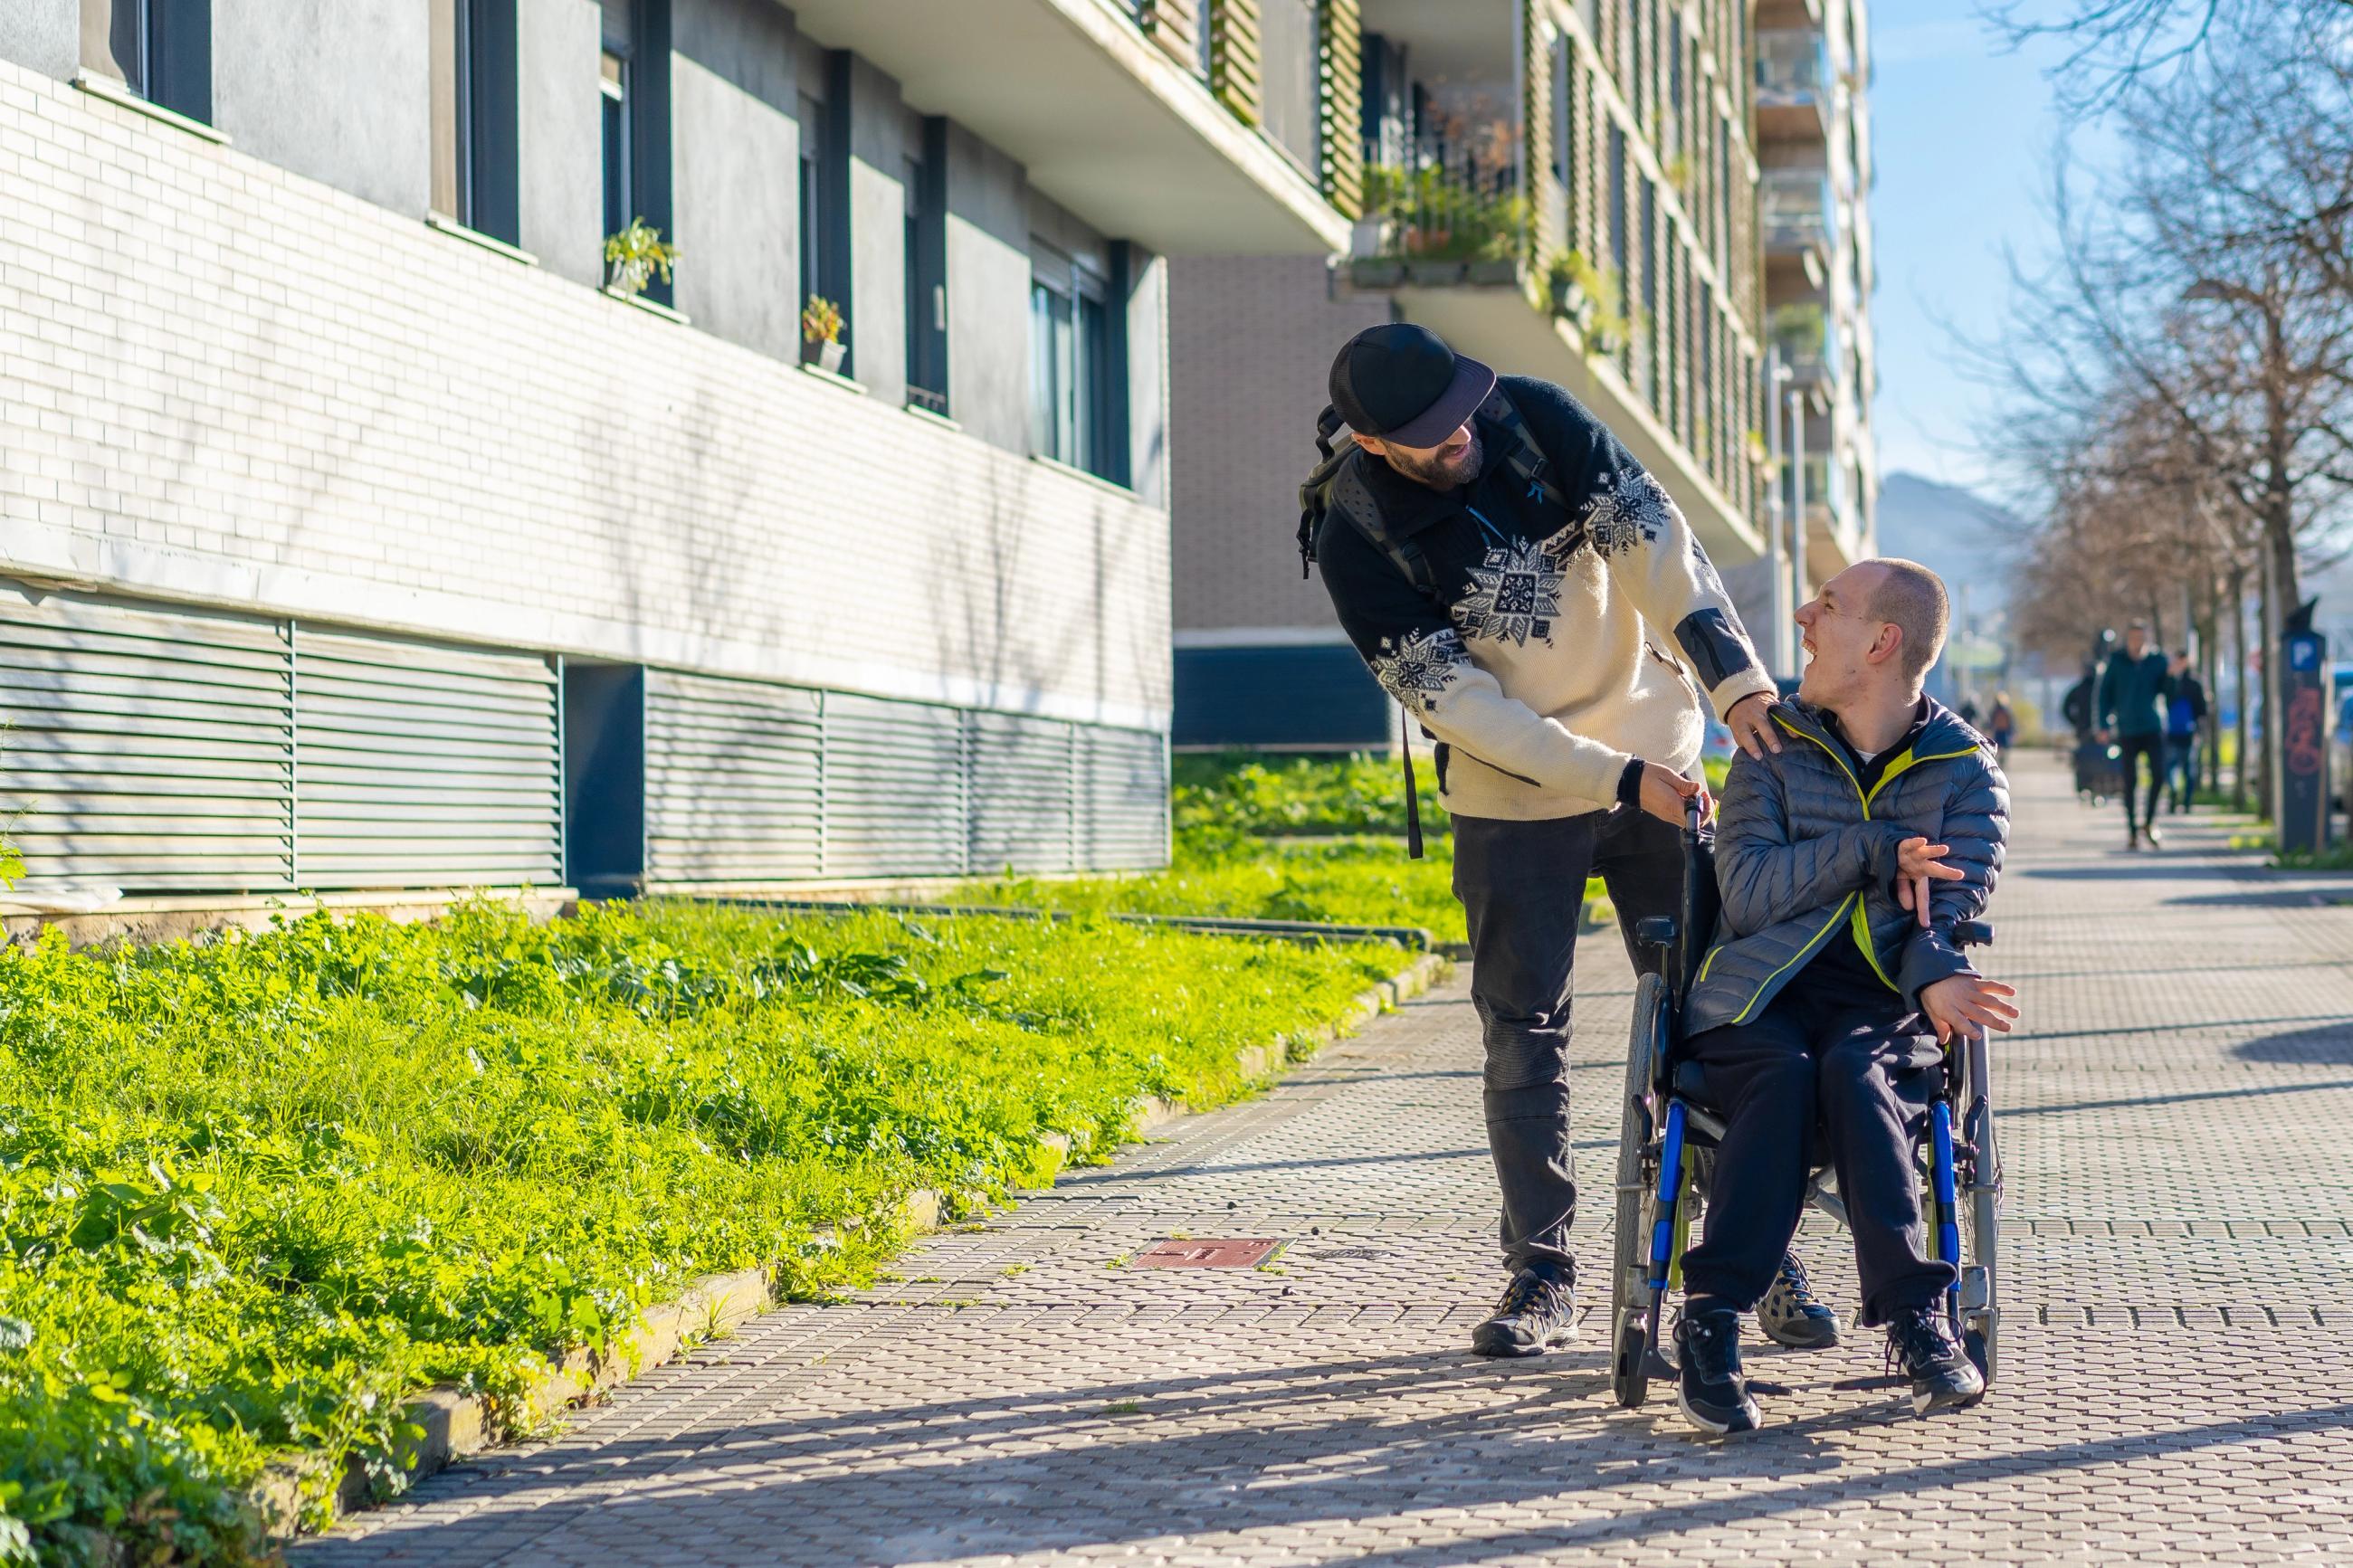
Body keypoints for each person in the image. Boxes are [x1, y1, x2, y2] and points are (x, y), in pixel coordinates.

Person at [1308, 323, 1841, 1358]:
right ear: (1372, 444)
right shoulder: (1352, 531)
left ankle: (1751, 1250)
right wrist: (1610, 779)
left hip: (1658, 751)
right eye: (1424, 434)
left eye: (1459, 409)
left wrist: (1736, 685)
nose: (1456, 436)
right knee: (1522, 1032)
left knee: (1721, 1014)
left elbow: (1661, 556)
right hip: (1512, 802)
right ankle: (1540, 1275)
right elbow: (1459, 705)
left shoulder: (1538, 419)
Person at [1669, 558, 2018, 1433]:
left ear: (1880, 641)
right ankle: (1710, 1320)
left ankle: (1915, 1317)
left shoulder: (1967, 773)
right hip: (1758, 994)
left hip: (1884, 998)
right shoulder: (1770, 746)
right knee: (1784, 1073)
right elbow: (1745, 892)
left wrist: (1939, 969)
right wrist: (1871, 850)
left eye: (1825, 606)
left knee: (1859, 1070)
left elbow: (1954, 905)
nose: (1801, 616)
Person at [2096, 620, 2174, 849]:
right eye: (2133, 638)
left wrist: (2171, 676)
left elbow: (2170, 693)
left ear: (2147, 639)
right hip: (2127, 729)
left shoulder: (2158, 661)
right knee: (2130, 781)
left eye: (2141, 638)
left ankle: (2149, 823)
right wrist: (2102, 724)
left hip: (2153, 726)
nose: (2136, 643)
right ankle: (2131, 830)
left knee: (2159, 775)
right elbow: (2104, 695)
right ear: (2127, 639)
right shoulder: (2117, 662)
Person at [2164, 655, 2207, 813]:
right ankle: (2181, 800)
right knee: (2181, 768)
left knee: (2180, 768)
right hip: (2180, 732)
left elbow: (2201, 709)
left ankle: (2181, 800)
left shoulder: (2187, 683)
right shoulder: (2189, 682)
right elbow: (2202, 710)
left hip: (2181, 733)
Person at [1987, 692, 2016, 767]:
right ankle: (2001, 761)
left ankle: (2001, 761)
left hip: (2002, 730)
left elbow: (2010, 721)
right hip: (2001, 730)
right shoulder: (2003, 710)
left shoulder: (1998, 710)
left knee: (2001, 746)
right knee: (2001, 746)